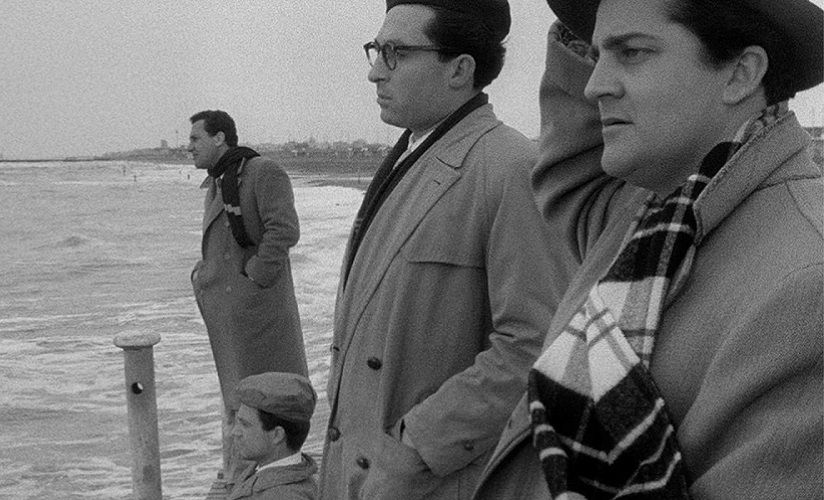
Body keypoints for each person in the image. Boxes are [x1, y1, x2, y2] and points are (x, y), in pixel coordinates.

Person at [473, 0, 823, 498]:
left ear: (741, 74)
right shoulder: (651, 215)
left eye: (632, 52)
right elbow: (570, 174)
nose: (594, 84)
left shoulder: (809, 288)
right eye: (596, 56)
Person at [318, 1, 574, 498]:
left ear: (460, 69)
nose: (374, 72)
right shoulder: (412, 153)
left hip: (428, 480)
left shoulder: (508, 166)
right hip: (363, 468)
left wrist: (415, 449)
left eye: (395, 54)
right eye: (376, 51)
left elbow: (537, 343)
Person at [188, 110, 310, 484]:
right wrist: (204, 274)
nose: (188, 146)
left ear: (220, 138)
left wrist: (253, 277)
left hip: (258, 315)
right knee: (242, 404)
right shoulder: (222, 178)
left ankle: (254, 483)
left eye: (195, 139)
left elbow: (284, 230)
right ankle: (240, 480)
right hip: (234, 315)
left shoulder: (261, 171)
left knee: (263, 404)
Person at [227, 372, 319, 500]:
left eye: (245, 424)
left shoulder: (286, 496)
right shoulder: (261, 469)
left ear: (277, 435)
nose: (235, 432)